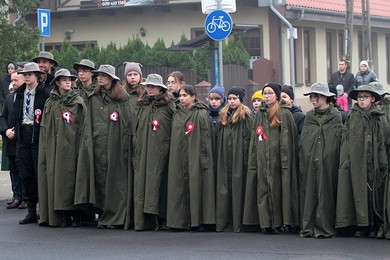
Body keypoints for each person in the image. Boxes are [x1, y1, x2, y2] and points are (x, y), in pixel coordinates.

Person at [74, 65, 133, 229]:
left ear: (111, 78)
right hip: (98, 145)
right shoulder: (95, 97)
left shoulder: (122, 97)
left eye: (103, 75)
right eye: (98, 75)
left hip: (116, 145)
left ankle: (116, 215)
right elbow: (89, 122)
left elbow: (128, 121)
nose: (100, 78)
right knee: (99, 179)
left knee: (116, 180)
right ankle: (101, 212)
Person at [243, 82, 299, 234]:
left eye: (270, 93)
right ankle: (265, 222)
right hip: (263, 157)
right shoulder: (260, 113)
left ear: (277, 95)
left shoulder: (284, 113)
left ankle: (281, 222)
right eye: (265, 93)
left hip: (278, 158)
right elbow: (255, 137)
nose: (266, 96)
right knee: (263, 189)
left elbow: (289, 138)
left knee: (279, 188)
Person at [336, 84, 388, 238]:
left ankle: (375, 224)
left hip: (375, 160)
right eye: (360, 97)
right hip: (357, 160)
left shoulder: (379, 116)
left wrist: (381, 159)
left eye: (365, 97)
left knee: (375, 192)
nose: (362, 100)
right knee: (358, 192)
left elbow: (384, 138)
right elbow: (347, 138)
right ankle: (362, 224)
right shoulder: (353, 116)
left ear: (372, 99)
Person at [38, 69, 86, 227]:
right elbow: (45, 127)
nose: (67, 82)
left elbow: (82, 126)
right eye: (63, 79)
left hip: (72, 147)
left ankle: (75, 214)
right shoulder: (50, 103)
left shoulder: (77, 101)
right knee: (54, 178)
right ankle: (57, 215)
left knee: (71, 179)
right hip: (53, 147)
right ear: (57, 82)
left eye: (69, 79)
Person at [166, 85, 215, 230]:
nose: (181, 98)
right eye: (180, 96)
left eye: (185, 96)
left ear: (193, 97)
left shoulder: (201, 114)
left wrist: (204, 158)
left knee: (197, 187)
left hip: (196, 156)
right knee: (178, 187)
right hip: (179, 156)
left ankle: (197, 221)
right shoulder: (177, 113)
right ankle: (179, 221)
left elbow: (207, 138)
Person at [299, 83, 344, 238]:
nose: (313, 100)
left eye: (315, 96)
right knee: (310, 191)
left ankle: (325, 226)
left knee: (326, 192)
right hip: (311, 160)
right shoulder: (310, 116)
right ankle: (308, 226)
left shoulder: (335, 116)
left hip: (328, 161)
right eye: (311, 96)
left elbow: (336, 141)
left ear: (325, 97)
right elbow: (305, 139)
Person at [133, 74, 176, 231]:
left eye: (152, 86)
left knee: (160, 184)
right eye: (147, 86)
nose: (149, 89)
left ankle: (162, 218)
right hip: (143, 152)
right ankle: (144, 220)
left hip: (161, 153)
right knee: (142, 185)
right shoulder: (141, 105)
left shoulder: (169, 107)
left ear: (160, 88)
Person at [14, 62, 49, 224]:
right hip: (23, 135)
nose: (26, 77)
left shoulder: (43, 93)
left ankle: (43, 209)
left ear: (37, 75)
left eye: (30, 74)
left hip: (38, 136)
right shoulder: (20, 93)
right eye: (24, 74)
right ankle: (30, 210)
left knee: (39, 173)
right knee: (25, 174)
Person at [215, 86, 252, 232]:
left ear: (240, 100)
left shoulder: (246, 117)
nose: (231, 101)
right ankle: (224, 221)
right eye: (229, 98)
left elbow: (249, 138)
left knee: (238, 189)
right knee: (224, 190)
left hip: (239, 158)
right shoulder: (223, 116)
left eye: (234, 98)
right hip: (224, 157)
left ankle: (238, 223)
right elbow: (217, 136)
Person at [1, 71, 25, 209]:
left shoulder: (26, 97)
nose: (13, 83)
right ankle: (17, 196)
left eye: (16, 80)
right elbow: (3, 116)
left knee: (24, 170)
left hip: (22, 138)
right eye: (12, 80)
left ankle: (26, 198)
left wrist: (17, 129)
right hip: (10, 139)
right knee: (14, 170)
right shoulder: (9, 98)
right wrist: (6, 130)